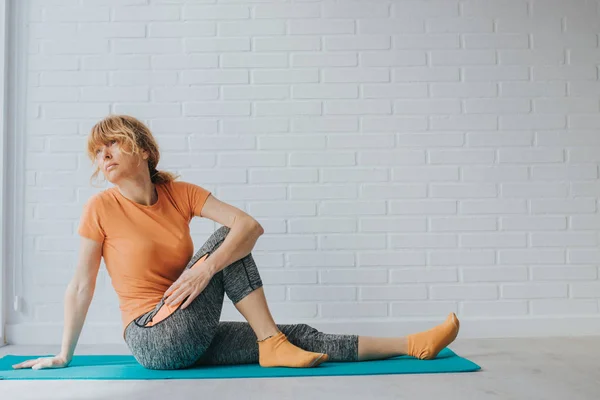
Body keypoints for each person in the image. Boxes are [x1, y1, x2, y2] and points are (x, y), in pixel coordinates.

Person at [12, 114, 460, 371]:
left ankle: (412, 344)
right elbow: (81, 286)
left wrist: (205, 268)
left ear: (144, 150)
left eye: (112, 144)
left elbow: (251, 225)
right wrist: (63, 353)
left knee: (296, 334)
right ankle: (271, 342)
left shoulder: (180, 194)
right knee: (230, 241)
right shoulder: (101, 208)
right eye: (97, 151)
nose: (102, 155)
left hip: (189, 322)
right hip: (152, 336)